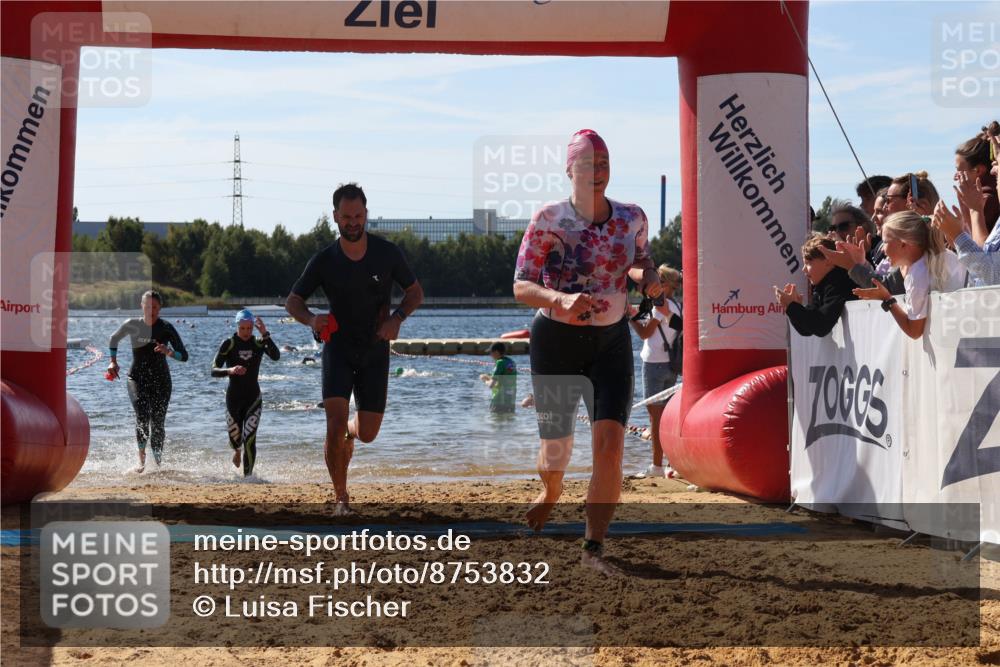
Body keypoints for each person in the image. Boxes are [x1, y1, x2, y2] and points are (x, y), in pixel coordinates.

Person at [513, 129, 662, 575]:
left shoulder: (632, 216)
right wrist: (559, 300)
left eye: (603, 165)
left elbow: (642, 258)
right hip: (556, 341)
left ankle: (593, 548)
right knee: (555, 452)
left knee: (611, 446)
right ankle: (552, 492)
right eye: (587, 165)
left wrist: (646, 277)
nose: (596, 173)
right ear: (569, 170)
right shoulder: (549, 218)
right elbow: (521, 285)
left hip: (610, 340)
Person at [285, 183, 423, 515]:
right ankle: (341, 498)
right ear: (335, 217)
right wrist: (312, 320)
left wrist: (397, 318)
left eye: (358, 215)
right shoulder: (324, 260)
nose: (352, 222)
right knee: (333, 423)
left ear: (365, 214)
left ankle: (350, 430)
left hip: (376, 349)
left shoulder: (386, 253)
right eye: (346, 216)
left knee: (368, 433)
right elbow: (293, 302)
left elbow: (415, 293)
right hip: (338, 349)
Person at [107, 290, 189, 472]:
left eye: (155, 307)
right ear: (141, 306)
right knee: (142, 414)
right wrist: (113, 361)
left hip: (161, 381)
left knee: (158, 422)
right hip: (136, 378)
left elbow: (184, 356)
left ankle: (157, 463)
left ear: (160, 308)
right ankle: (142, 461)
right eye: (147, 306)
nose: (151, 310)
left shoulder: (166, 327)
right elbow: (113, 338)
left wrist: (169, 352)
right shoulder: (132, 325)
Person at [853, 211, 966, 339]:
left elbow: (915, 331)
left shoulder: (917, 273)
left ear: (903, 243)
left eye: (885, 242)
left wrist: (887, 299)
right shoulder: (944, 255)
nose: (882, 249)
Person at [627, 264, 682, 479]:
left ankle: (657, 466)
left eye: (656, 279)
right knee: (668, 417)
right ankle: (672, 463)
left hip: (654, 363)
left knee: (656, 419)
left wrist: (630, 316)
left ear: (664, 285)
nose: (650, 284)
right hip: (671, 365)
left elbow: (644, 333)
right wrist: (638, 312)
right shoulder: (677, 305)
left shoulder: (661, 306)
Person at [211, 310, 280, 476]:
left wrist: (264, 334)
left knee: (250, 439)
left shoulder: (258, 343)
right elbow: (213, 370)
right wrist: (231, 370)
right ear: (237, 326)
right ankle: (236, 451)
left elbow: (276, 356)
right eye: (243, 328)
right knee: (236, 440)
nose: (246, 332)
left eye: (249, 328)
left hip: (253, 398)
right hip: (233, 399)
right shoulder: (229, 343)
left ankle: (248, 478)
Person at [775, 234, 857, 337]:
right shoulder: (822, 286)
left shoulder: (839, 284)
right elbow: (807, 330)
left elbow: (821, 326)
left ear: (828, 261)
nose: (803, 269)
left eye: (808, 263)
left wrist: (792, 307)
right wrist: (791, 307)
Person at [954, 127, 999, 234]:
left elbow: (977, 247)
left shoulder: (986, 200)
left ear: (978, 170)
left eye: (959, 170)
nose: (955, 177)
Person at [479, 342, 517, 414]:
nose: (490, 355)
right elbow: (503, 380)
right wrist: (488, 377)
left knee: (495, 422)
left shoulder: (500, 363)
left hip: (499, 400)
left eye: (490, 352)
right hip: (511, 400)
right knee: (509, 422)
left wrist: (484, 380)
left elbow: (492, 385)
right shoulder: (511, 362)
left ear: (496, 352)